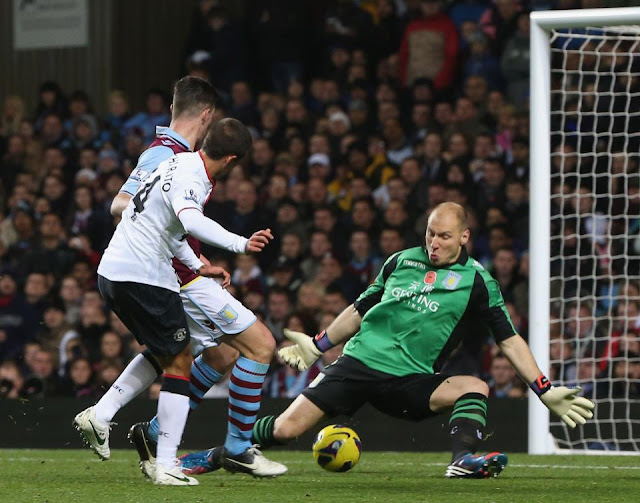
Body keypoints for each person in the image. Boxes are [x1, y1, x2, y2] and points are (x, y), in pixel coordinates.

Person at [180, 202, 595, 479]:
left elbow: (509, 340)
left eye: (444, 237)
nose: (434, 242)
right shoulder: (401, 260)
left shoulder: (478, 282)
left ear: (464, 238)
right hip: (357, 365)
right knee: (287, 430)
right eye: (431, 233)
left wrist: (543, 388)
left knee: (475, 386)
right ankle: (219, 454)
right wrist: (318, 345)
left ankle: (462, 461)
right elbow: (360, 309)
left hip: (410, 380)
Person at [74, 78, 285, 481]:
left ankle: (127, 423)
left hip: (169, 268)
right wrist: (237, 246)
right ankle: (229, 448)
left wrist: (198, 259)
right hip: (164, 274)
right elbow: (126, 205)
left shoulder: (178, 156)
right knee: (253, 345)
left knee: (210, 354)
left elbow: (164, 220)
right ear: (207, 116)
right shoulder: (168, 155)